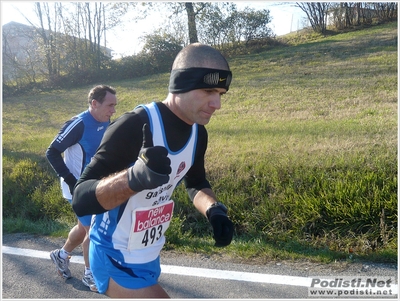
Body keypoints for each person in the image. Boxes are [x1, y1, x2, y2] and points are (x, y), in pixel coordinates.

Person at [72, 43, 234, 298]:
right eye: (208, 90)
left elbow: (195, 182)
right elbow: (81, 200)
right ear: (180, 83)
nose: (217, 104)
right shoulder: (135, 124)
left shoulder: (197, 133)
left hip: (147, 256)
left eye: (221, 94)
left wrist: (214, 210)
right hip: (112, 256)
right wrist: (134, 178)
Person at [46, 85, 117, 292]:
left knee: (83, 226)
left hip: (96, 186)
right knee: (92, 230)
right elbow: (51, 152)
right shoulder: (77, 124)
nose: (113, 110)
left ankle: (61, 255)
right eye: (110, 105)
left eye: (114, 106)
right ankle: (90, 274)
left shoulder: (105, 121)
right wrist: (70, 180)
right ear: (94, 104)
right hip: (76, 187)